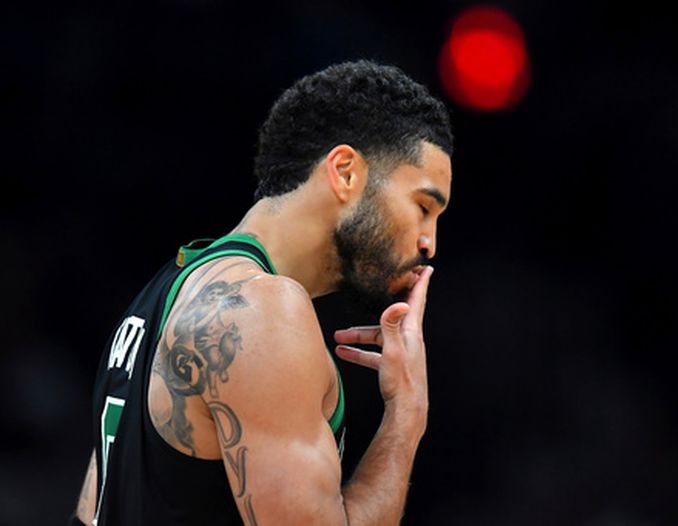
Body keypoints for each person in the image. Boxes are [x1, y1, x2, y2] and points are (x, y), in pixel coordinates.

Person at [71, 60, 453, 525]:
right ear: (346, 172)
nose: (429, 243)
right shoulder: (260, 313)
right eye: (423, 206)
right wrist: (407, 413)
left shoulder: (161, 297)